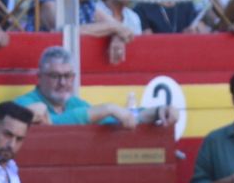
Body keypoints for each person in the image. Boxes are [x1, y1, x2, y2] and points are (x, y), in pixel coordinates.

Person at [14, 46, 165, 128]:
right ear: (39, 77)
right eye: (55, 76)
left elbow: (117, 122)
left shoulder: (77, 104)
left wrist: (157, 112)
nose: (63, 82)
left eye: (67, 76)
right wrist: (107, 109)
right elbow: (54, 123)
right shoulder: (24, 103)